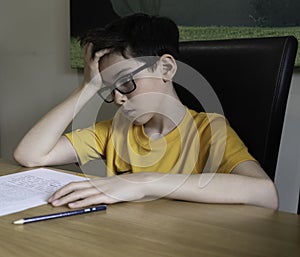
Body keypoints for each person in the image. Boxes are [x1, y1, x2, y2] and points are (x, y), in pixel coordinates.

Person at [14, 13, 278, 209]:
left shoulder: (209, 130)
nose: (118, 98)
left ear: (165, 69)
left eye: (126, 83)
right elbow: (30, 154)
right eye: (108, 88)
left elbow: (265, 193)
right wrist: (87, 86)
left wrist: (143, 182)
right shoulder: (114, 131)